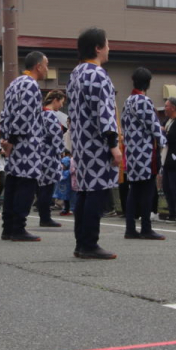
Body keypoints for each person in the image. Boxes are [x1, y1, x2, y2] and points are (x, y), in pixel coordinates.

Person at [66, 27, 122, 260]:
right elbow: (106, 113)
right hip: (97, 143)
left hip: (80, 142)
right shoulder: (98, 75)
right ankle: (90, 243)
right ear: (98, 48)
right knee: (97, 192)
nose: (109, 48)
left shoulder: (76, 73)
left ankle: (82, 243)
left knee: (84, 193)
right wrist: (114, 144)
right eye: (107, 44)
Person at [0, 51, 50, 242]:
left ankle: (8, 227)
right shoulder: (31, 86)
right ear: (38, 66)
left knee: (12, 184)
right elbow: (24, 116)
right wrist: (11, 140)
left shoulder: (14, 84)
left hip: (13, 142)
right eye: (46, 64)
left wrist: (5, 139)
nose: (47, 68)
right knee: (26, 185)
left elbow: (5, 113)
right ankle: (18, 227)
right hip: (26, 144)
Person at [121, 67, 167, 240]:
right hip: (146, 152)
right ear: (148, 83)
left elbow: (124, 124)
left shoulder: (127, 101)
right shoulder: (144, 101)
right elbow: (154, 127)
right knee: (148, 190)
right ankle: (146, 227)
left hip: (132, 152)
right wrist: (163, 141)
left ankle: (130, 228)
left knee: (134, 190)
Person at [36, 90, 67, 229]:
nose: (61, 105)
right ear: (55, 100)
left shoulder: (39, 114)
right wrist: (61, 152)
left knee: (42, 187)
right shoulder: (50, 115)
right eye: (61, 102)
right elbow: (56, 136)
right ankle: (45, 217)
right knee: (47, 187)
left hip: (38, 153)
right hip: (49, 154)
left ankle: (44, 216)